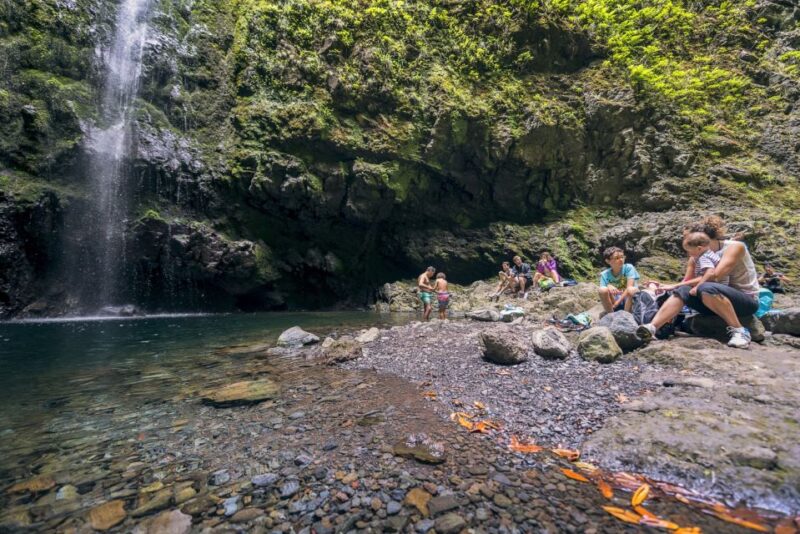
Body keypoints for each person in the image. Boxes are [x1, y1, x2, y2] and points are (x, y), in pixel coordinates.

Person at [637, 216, 760, 348]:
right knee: (683, 291)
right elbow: (688, 281)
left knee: (706, 287)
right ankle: (652, 327)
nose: (686, 240)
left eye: (688, 237)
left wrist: (676, 285)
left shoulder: (735, 247)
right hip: (713, 302)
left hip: (745, 301)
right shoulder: (698, 255)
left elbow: (716, 276)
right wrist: (667, 287)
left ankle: (740, 331)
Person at [598, 246, 640, 313]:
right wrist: (608, 286)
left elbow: (629, 287)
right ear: (608, 261)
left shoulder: (628, 268)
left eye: (622, 257)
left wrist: (617, 302)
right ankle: (611, 315)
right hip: (613, 301)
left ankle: (627, 316)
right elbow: (603, 291)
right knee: (602, 289)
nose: (621, 260)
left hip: (628, 299)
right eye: (617, 258)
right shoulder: (604, 274)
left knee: (631, 289)